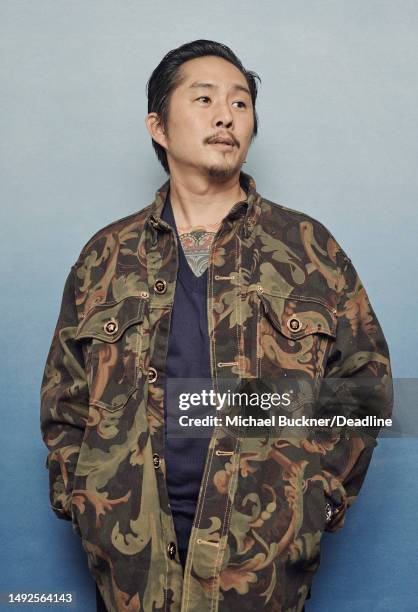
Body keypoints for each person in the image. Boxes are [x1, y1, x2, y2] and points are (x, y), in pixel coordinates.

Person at [40, 39, 393, 612]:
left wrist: (317, 498)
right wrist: (79, 500)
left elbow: (366, 385)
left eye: (241, 103)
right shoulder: (104, 257)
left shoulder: (309, 249)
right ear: (158, 126)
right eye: (203, 99)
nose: (226, 115)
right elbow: (65, 400)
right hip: (132, 558)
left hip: (262, 560)